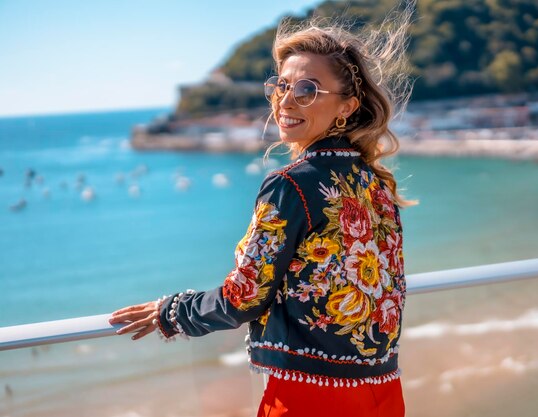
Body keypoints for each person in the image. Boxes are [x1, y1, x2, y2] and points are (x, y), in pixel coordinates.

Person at [109, 8, 415, 417]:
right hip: (383, 393)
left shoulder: (291, 184)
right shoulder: (375, 185)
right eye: (281, 85)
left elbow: (244, 297)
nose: (285, 100)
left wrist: (171, 312)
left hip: (312, 400)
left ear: (346, 106)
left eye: (307, 89)